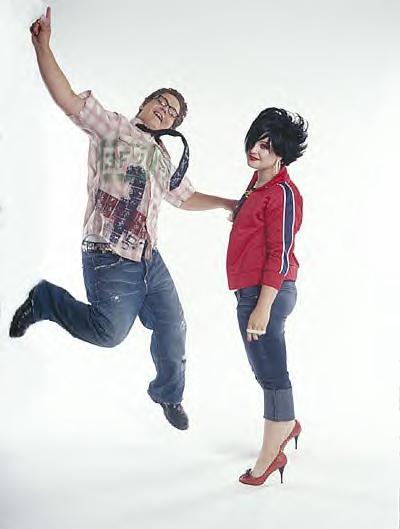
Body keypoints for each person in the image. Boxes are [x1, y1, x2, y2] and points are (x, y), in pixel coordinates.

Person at [9, 7, 236, 431]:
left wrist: (227, 203)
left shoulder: (163, 157)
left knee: (173, 326)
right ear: (145, 104)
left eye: (173, 112)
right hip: (109, 256)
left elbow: (184, 197)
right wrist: (43, 48)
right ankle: (45, 300)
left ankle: (168, 394)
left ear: (173, 126)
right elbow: (68, 99)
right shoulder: (113, 128)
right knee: (109, 334)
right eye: (161, 102)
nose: (165, 110)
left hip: (150, 261)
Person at [226, 107, 308, 485]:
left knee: (272, 375)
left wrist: (263, 307)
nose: (256, 150)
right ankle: (286, 424)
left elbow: (280, 253)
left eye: (267, 146)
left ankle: (270, 456)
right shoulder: (257, 182)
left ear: (282, 154)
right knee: (263, 370)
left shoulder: (284, 193)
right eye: (256, 141)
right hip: (250, 292)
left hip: (268, 293)